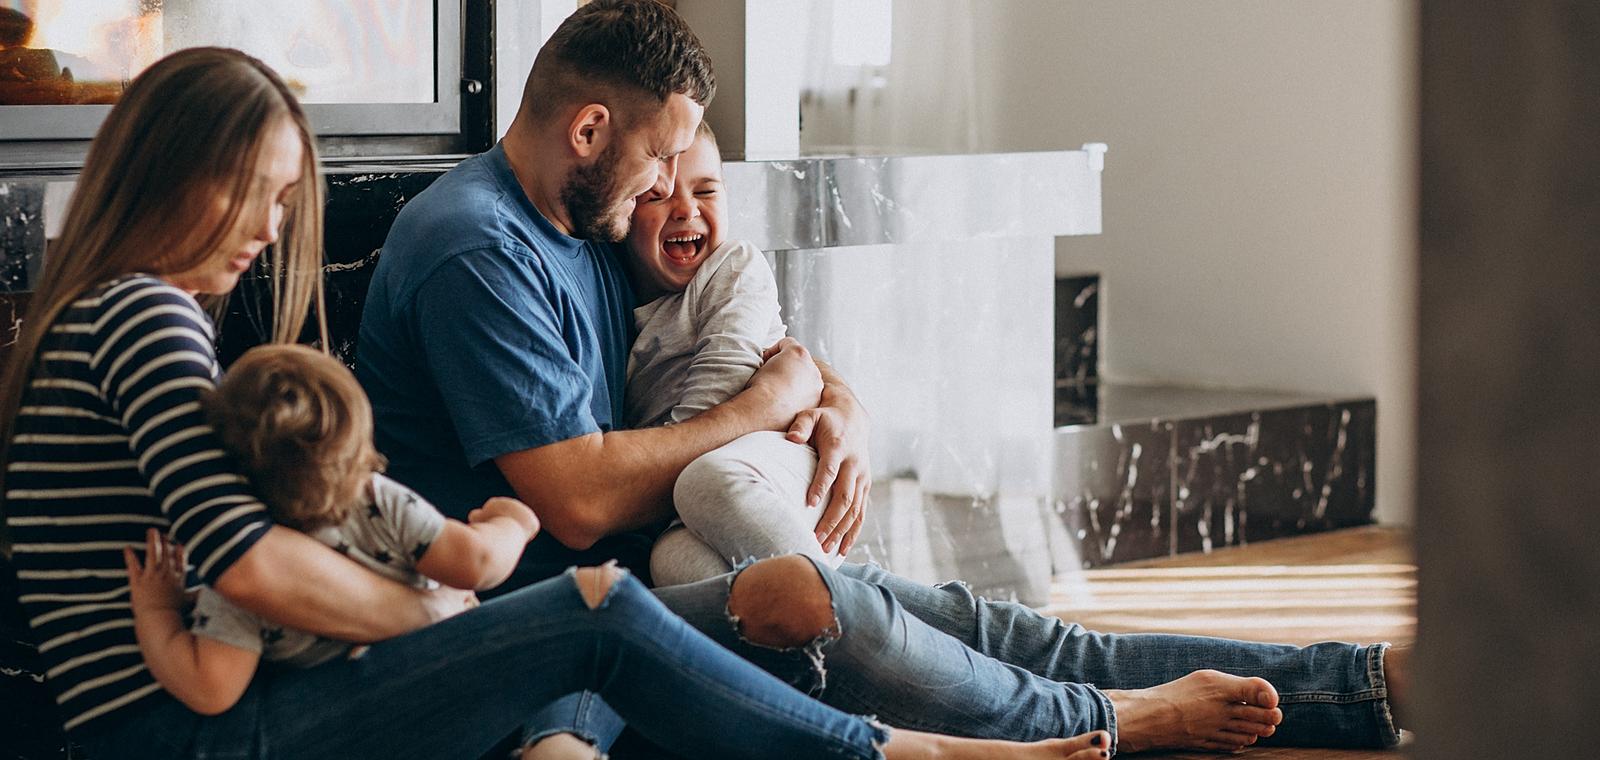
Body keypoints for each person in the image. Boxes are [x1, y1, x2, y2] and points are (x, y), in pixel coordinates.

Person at [0, 45, 1113, 760]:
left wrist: (832, 394)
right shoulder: (144, 316)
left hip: (210, 705)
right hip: (202, 728)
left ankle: (983, 722)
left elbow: (724, 320)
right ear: (179, 173)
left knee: (755, 601)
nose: (276, 228)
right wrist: (432, 615)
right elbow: (247, 565)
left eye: (290, 198)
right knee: (593, 610)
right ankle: (937, 746)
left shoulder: (112, 315)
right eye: (263, 191)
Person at [356, 1, 1402, 757]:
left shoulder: (581, 220)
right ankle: (1113, 723)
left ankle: (1347, 683)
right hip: (574, 613)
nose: (663, 190)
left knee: (982, 621)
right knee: (843, 610)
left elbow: (745, 333)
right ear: (589, 130)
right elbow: (576, 501)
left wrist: (833, 402)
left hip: (652, 573)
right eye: (658, 160)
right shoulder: (475, 248)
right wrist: (758, 412)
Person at [124, 343, 541, 714]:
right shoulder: (379, 501)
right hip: (436, 698)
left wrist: (156, 611)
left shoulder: (243, 568)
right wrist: (514, 523)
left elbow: (212, 689)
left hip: (338, 724)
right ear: (358, 444)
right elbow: (477, 561)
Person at [621, 122, 840, 586]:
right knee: (672, 564)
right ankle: (824, 634)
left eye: (706, 190)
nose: (685, 209)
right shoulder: (620, 303)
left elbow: (719, 388)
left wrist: (641, 487)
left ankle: (858, 614)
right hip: (690, 492)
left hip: (780, 458)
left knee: (704, 482)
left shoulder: (733, 265)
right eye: (657, 197)